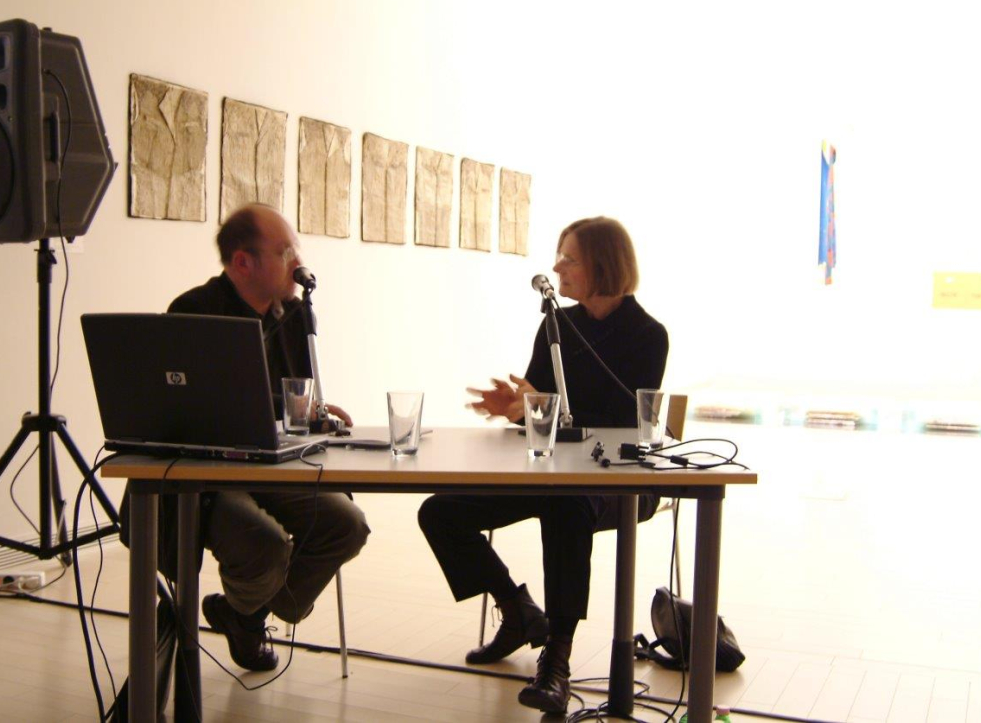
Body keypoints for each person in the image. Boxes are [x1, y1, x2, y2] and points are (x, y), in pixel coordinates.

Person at [418, 216, 669, 713]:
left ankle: (557, 657)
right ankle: (517, 610)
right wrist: (517, 409)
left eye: (569, 258)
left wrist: (542, 412)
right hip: (553, 475)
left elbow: (625, 424)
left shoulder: (648, 335)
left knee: (565, 505)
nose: (557, 268)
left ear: (603, 263)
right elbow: (541, 415)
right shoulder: (557, 324)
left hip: (620, 483)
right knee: (440, 512)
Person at [121, 204, 370, 672]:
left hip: (277, 464)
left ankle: (244, 615)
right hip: (211, 477)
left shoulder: (295, 314)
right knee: (264, 543)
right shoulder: (192, 312)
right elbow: (184, 407)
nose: (298, 262)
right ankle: (248, 614)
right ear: (243, 262)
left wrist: (315, 415)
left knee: (347, 524)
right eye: (286, 251)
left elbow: (296, 400)